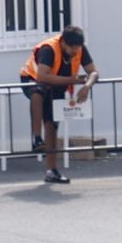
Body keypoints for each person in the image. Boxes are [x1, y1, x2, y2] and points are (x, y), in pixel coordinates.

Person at [20, 25, 98, 184]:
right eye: (72, 48)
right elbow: (42, 76)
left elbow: (93, 72)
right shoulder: (49, 49)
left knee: (52, 124)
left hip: (57, 84)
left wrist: (86, 87)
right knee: (37, 92)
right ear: (63, 42)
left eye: (77, 47)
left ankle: (51, 171)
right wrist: (73, 80)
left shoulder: (80, 49)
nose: (75, 51)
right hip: (32, 79)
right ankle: (36, 137)